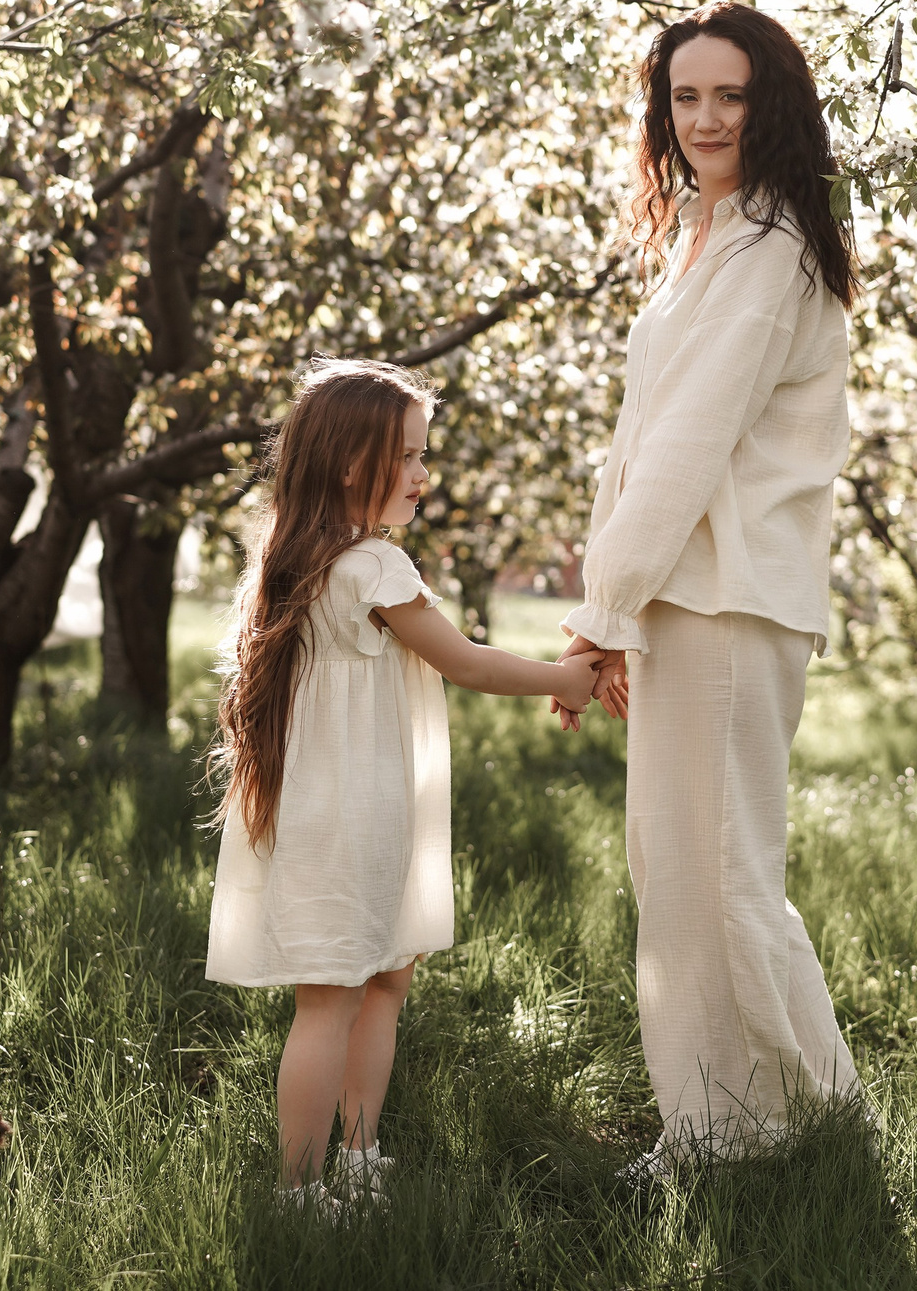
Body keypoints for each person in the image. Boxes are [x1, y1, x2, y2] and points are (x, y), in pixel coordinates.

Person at [555, 2, 866, 1177]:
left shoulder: (772, 245)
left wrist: (600, 614)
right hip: (688, 597)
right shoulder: (710, 235)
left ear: (770, 103)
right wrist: (619, 606)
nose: (705, 119)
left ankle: (783, 1124)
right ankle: (738, 1123)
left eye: (728, 95)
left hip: (729, 595)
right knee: (680, 871)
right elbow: (640, 441)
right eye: (685, 98)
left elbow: (689, 445)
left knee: (719, 868)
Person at [205, 359, 604, 1214]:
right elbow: (464, 659)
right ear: (354, 463)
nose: (426, 474)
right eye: (412, 455)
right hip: (359, 808)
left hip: (340, 804)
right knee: (341, 993)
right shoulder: (373, 566)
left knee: (377, 980)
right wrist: (564, 680)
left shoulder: (302, 558)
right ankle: (303, 1189)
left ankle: (355, 1158)